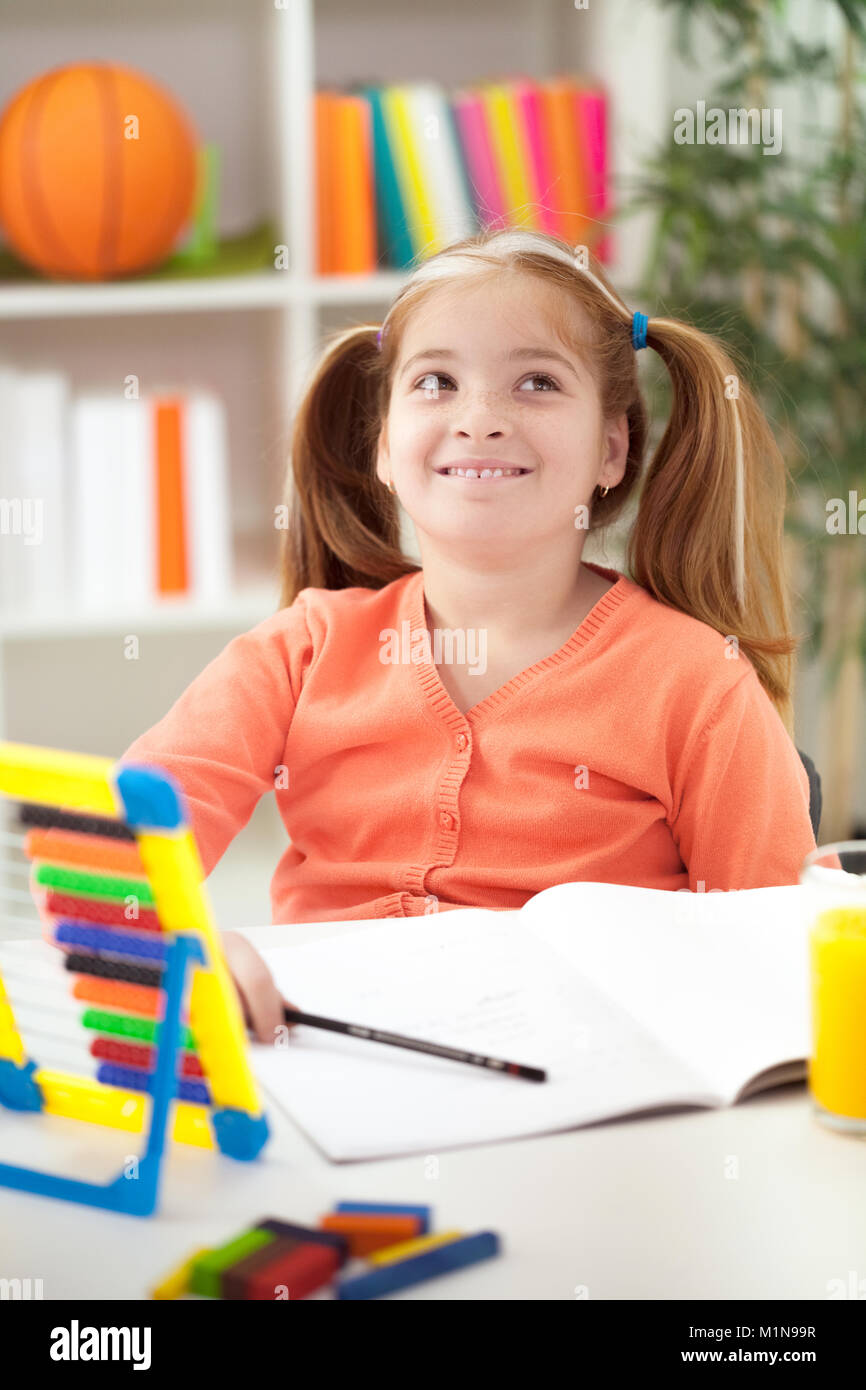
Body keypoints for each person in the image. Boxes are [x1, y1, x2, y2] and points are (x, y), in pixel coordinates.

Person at [119, 228, 816, 1041]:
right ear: (383, 444)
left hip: (594, 1109)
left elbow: (778, 957)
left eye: (536, 382)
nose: (480, 420)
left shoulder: (697, 682)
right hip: (318, 1077)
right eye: (437, 382)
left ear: (612, 448)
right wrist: (183, 946)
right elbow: (121, 851)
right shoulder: (299, 651)